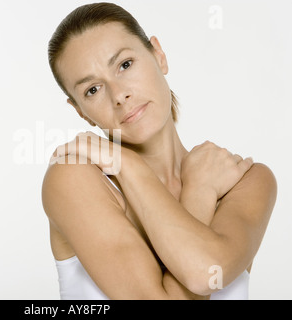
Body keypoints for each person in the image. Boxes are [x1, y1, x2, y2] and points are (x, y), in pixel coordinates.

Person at [41, 2, 277, 300]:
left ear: (158, 55)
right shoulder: (73, 179)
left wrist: (193, 184)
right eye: (92, 90)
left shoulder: (243, 181)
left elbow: (203, 274)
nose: (119, 95)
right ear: (80, 112)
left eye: (125, 65)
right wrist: (190, 189)